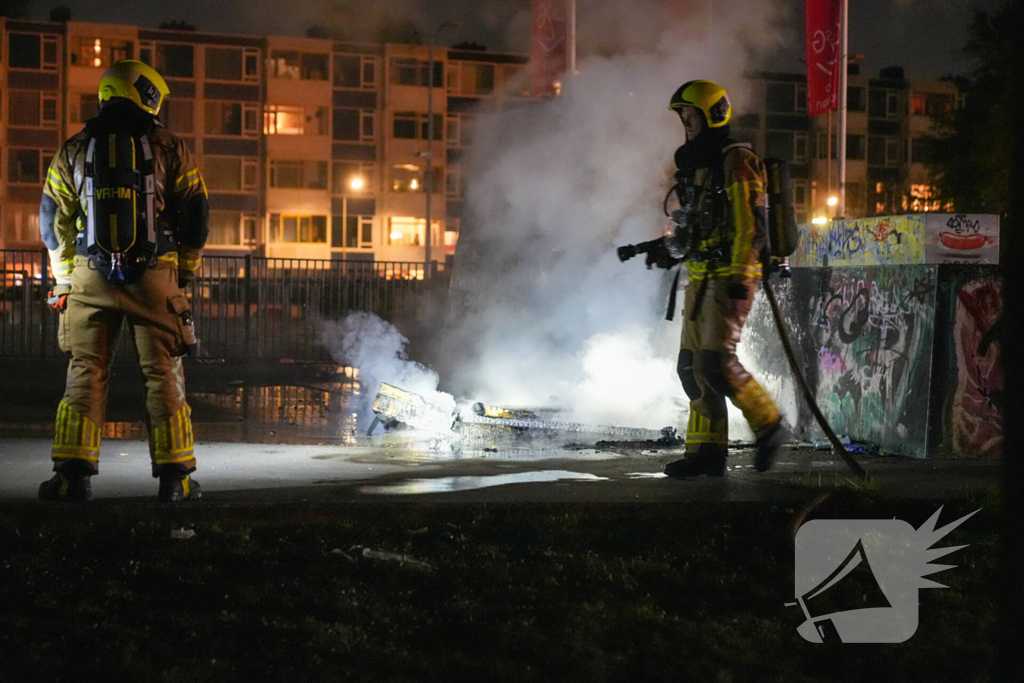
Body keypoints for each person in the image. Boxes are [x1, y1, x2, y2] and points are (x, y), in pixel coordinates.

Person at [37, 60, 209, 502]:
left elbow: (51, 217)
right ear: (143, 94)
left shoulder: (74, 148)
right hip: (154, 279)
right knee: (162, 374)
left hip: (88, 279)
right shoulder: (169, 146)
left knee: (86, 371)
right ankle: (175, 480)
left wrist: (63, 277)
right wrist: (184, 270)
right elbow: (196, 212)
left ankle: (73, 478)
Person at [653, 79, 789, 478]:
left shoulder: (738, 162)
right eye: (684, 118)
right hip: (700, 279)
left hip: (729, 277)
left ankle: (770, 425)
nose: (687, 124)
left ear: (712, 115)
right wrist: (666, 249)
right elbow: (692, 226)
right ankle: (706, 453)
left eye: (692, 116)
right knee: (690, 367)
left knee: (716, 363)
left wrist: (740, 279)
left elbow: (750, 226)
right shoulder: (700, 167)